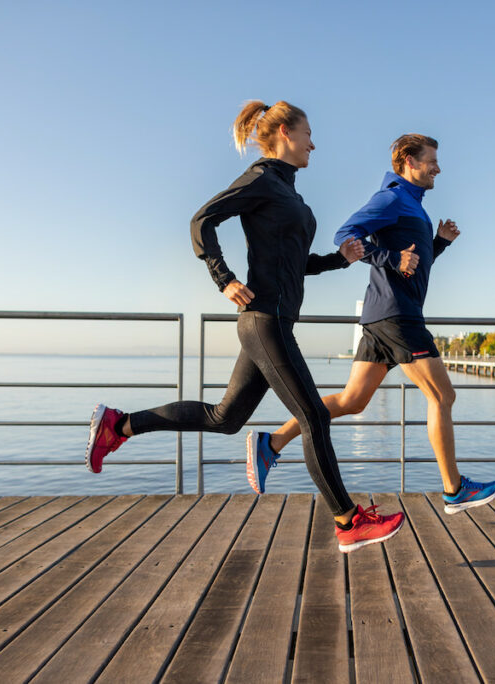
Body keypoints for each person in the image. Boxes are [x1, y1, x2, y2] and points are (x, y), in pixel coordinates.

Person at [84, 100, 404, 553]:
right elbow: (202, 220)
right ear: (283, 134)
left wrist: (339, 259)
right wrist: (224, 279)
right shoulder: (261, 180)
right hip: (263, 320)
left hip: (273, 321)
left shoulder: (292, 195)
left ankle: (119, 425)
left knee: (226, 418)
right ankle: (348, 520)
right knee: (313, 415)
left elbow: (294, 264)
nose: (315, 142)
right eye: (308, 133)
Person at [247, 134, 495, 514]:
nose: (438, 168)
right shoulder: (392, 197)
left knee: (353, 400)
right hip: (398, 317)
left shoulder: (413, 204)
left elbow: (412, 263)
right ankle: (454, 490)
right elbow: (344, 235)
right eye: (431, 160)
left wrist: (439, 243)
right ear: (408, 162)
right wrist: (390, 257)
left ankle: (272, 443)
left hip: (382, 316)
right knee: (443, 396)